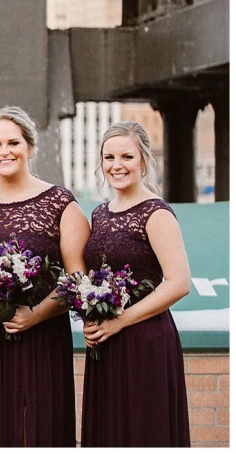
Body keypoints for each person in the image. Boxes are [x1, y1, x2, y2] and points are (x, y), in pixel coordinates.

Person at [0, 106, 89, 446]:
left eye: (13, 142)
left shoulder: (60, 203)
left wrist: (37, 314)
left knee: (36, 428)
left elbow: (77, 279)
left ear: (30, 146)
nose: (4, 151)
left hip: (41, 337)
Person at [80, 121, 191, 446]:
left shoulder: (156, 213)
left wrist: (120, 322)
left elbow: (179, 282)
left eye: (127, 156)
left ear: (143, 160)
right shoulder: (100, 214)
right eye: (109, 157)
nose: (117, 165)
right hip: (105, 345)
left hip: (146, 341)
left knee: (145, 432)